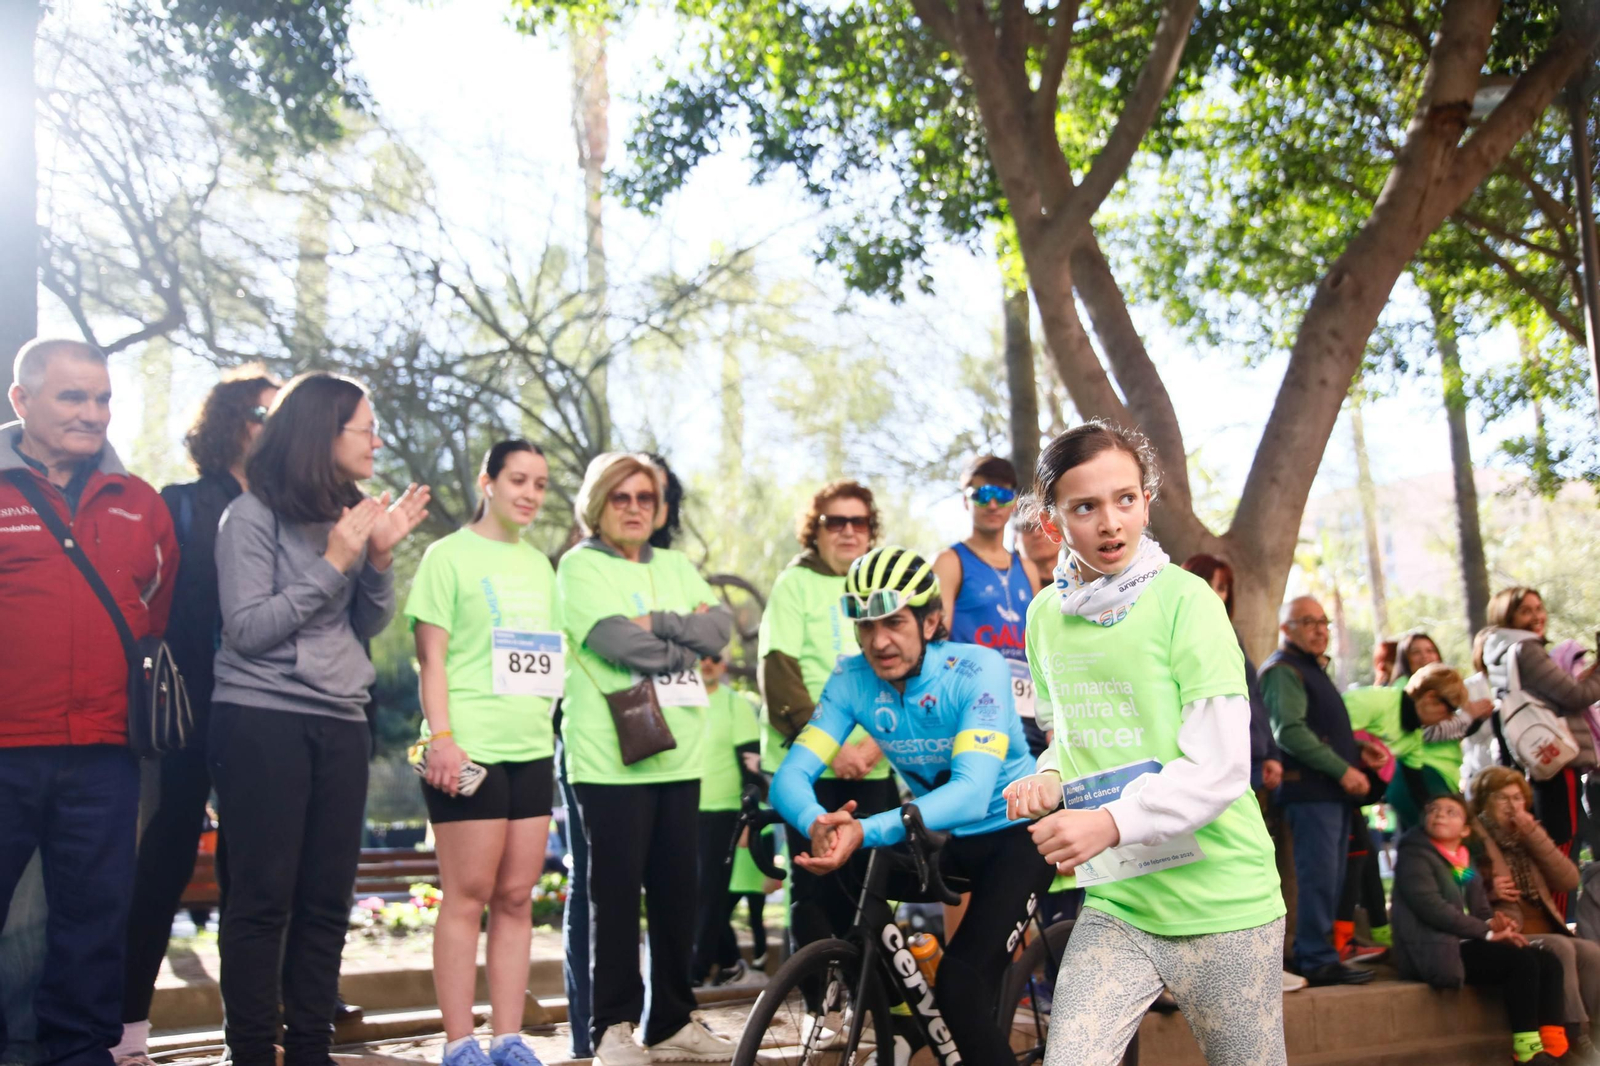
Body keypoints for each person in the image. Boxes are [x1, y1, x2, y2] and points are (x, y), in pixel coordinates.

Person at [1005, 421, 1286, 1066]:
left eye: (1125, 499)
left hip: (1225, 902)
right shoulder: (1045, 617)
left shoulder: (1187, 600)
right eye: (1086, 506)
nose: (1110, 523)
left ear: (1145, 500)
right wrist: (1049, 777)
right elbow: (1066, 736)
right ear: (1053, 522)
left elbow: (1220, 767)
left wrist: (1108, 821)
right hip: (1119, 901)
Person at [211, 372, 430, 1066]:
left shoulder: (352, 513)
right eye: (364, 427)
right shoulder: (247, 517)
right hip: (261, 718)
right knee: (262, 898)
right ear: (320, 434)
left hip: (341, 718)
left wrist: (379, 557)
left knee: (327, 899)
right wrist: (335, 561)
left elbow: (365, 620)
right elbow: (247, 630)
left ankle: (310, 1049)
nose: (376, 440)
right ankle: (251, 1051)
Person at [771, 545, 1050, 1064]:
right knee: (848, 878)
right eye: (865, 626)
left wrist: (865, 827)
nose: (879, 641)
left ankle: (931, 1016)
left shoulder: (976, 670)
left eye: (894, 622)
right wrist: (818, 822)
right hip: (940, 841)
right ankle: (900, 1017)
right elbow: (788, 779)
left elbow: (970, 793)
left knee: (961, 989)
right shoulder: (852, 680)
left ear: (930, 620)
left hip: (1015, 838)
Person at [0, 338, 179, 1066]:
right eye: (73, 397)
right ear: (22, 401)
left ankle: (79, 1054)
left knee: (94, 922)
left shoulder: (141, 504)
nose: (92, 413)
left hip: (105, 754)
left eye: (102, 398)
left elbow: (153, 616)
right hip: (6, 746)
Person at [112, 366, 280, 1066]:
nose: (270, 429)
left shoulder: (293, 513)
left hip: (264, 713)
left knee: (260, 872)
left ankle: (256, 1027)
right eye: (261, 415)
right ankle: (125, 1028)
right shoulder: (177, 503)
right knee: (165, 860)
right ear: (227, 423)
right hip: (186, 713)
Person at [556, 452, 735, 1066]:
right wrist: (680, 640)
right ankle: (611, 1028)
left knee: (675, 895)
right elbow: (614, 641)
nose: (634, 508)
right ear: (597, 504)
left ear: (659, 508)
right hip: (610, 761)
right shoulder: (580, 568)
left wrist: (658, 624)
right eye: (620, 497)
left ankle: (673, 1019)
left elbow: (720, 631)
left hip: (683, 756)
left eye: (645, 498)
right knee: (612, 898)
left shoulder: (678, 564)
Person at [405, 440, 558, 1066]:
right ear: (487, 482)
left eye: (541, 484)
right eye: (518, 479)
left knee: (517, 896)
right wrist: (441, 739)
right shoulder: (447, 557)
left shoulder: (542, 565)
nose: (529, 493)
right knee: (467, 894)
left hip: (531, 747)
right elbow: (431, 658)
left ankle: (509, 1039)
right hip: (467, 750)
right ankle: (460, 1043)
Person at [757, 480, 895, 958]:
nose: (848, 531)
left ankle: (870, 1002)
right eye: (836, 521)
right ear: (815, 530)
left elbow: (904, 669)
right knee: (815, 886)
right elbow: (779, 674)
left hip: (873, 764)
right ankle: (824, 1008)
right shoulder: (794, 583)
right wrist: (834, 749)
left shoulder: (883, 587)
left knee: (870, 890)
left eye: (859, 522)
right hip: (811, 766)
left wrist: (877, 744)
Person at [1392, 793, 1570, 1064]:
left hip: (1466, 942)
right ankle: (1527, 1052)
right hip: (1434, 949)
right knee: (1521, 962)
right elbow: (1432, 908)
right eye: (1433, 809)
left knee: (1548, 960)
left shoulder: (1461, 860)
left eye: (1451, 811)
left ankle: (1554, 1047)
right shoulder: (1414, 857)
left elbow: (1479, 907)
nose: (1439, 814)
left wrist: (1495, 924)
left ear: (1464, 829)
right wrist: (1485, 932)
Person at [1264, 594, 1375, 986]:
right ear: (1286, 629)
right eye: (1308, 622)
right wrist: (1342, 769)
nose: (1319, 629)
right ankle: (1314, 957)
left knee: (1333, 876)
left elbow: (1314, 727)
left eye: (1323, 622)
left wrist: (1358, 750)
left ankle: (1323, 953)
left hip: (1328, 794)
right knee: (1318, 877)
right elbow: (1289, 731)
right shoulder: (1283, 669)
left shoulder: (1311, 669)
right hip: (1309, 793)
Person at [1480, 586, 1600, 900]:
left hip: (1530, 763)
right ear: (1508, 617)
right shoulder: (1526, 649)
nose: (1537, 616)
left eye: (1539, 608)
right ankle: (1561, 921)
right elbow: (1576, 695)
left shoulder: (1498, 651)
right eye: (1526, 611)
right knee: (1562, 844)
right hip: (1556, 763)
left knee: (1553, 840)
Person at [1472, 766, 1600, 1058]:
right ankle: (1570, 1034)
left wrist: (1533, 834)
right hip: (1510, 929)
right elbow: (1459, 874)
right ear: (1485, 801)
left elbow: (1568, 879)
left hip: (1547, 924)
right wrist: (1488, 890)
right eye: (1502, 798)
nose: (1512, 806)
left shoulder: (1529, 834)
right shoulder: (1477, 835)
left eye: (1518, 798)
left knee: (1591, 952)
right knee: (1561, 949)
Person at [933, 454, 1046, 761]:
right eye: (982, 495)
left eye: (1002, 495)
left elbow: (1039, 645)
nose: (993, 505)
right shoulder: (950, 561)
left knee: (1034, 801)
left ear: (1013, 502)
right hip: (974, 707)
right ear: (965, 501)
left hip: (1026, 712)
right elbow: (934, 641)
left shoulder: (1028, 568)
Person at [690, 651, 764, 988]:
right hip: (681, 809)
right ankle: (730, 962)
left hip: (722, 813)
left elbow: (752, 769)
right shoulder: (678, 697)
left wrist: (749, 818)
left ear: (724, 663)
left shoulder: (736, 705)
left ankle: (695, 971)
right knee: (695, 892)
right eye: (700, 655)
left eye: (715, 657)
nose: (707, 662)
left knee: (708, 892)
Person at [1180, 554, 1282, 793]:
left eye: (1222, 587)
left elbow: (1253, 696)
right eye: (1206, 583)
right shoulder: (1180, 634)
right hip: (1211, 762)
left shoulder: (1232, 637)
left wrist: (1270, 752)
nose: (1215, 594)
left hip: (1251, 758)